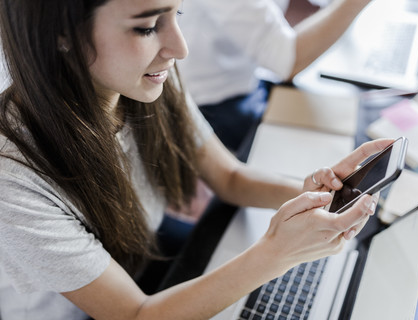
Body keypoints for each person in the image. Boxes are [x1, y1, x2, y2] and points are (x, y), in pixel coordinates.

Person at [0, 0, 391, 319]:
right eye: (148, 26)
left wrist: (314, 195)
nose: (180, 48)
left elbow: (230, 178)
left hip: (137, 256)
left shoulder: (145, 81)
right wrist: (278, 251)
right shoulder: (13, 176)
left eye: (178, 14)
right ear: (61, 34)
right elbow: (136, 315)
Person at [176, 0, 373, 154]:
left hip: (246, 77)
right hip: (214, 104)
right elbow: (288, 61)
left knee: (351, 120)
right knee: (345, 139)